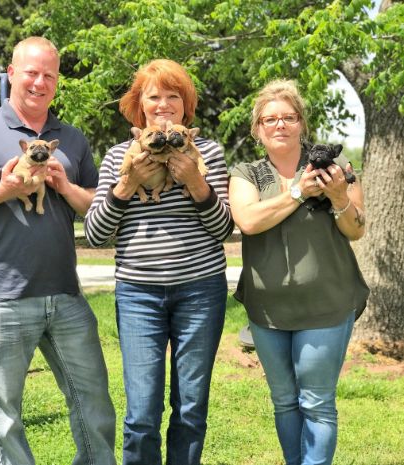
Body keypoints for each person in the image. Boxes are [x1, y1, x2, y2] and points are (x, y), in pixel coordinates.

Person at [0, 37, 116, 465]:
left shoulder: (70, 138)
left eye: (49, 75)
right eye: (31, 72)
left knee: (94, 403)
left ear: (57, 82)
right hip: (2, 298)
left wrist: (65, 186)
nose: (40, 82)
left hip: (66, 294)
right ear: (12, 72)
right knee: (4, 418)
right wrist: (3, 189)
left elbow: (97, 202)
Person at [84, 59, 234, 465]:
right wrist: (127, 185)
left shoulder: (208, 153)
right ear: (140, 107)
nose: (164, 104)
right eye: (154, 96)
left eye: (174, 97)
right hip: (138, 294)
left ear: (186, 108)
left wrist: (196, 184)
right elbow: (96, 234)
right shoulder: (119, 156)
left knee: (189, 409)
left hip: (201, 290)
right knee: (142, 414)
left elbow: (225, 230)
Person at [229, 79, 369, 465]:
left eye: (288, 117)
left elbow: (356, 230)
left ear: (301, 123)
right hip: (268, 309)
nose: (280, 125)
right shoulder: (247, 172)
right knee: (285, 401)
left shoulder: (335, 168)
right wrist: (297, 192)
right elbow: (249, 220)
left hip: (326, 303)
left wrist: (339, 195)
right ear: (258, 128)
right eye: (270, 119)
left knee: (317, 402)